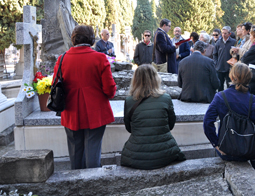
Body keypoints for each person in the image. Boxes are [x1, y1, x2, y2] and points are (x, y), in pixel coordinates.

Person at [53, 25, 116, 169]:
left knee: (75, 151)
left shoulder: (62, 59)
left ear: (73, 39)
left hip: (71, 112)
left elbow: (55, 85)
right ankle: (93, 184)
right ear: (92, 39)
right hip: (96, 112)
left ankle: (77, 183)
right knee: (93, 150)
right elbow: (109, 90)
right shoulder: (100, 58)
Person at [121, 64, 186, 170]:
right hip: (165, 153)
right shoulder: (166, 98)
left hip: (135, 155)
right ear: (156, 78)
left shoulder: (129, 101)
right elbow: (170, 125)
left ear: (135, 80)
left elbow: (129, 129)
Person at [203, 63, 255, 174]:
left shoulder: (220, 97)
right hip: (248, 152)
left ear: (231, 77)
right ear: (249, 79)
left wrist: (216, 144)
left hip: (226, 150)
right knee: (254, 142)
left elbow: (207, 122)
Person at [213, 26, 236, 91]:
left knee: (230, 85)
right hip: (219, 68)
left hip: (229, 68)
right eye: (222, 33)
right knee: (220, 85)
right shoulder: (218, 42)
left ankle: (229, 99)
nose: (223, 35)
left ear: (229, 34)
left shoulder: (233, 42)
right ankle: (221, 99)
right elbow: (215, 54)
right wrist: (216, 64)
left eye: (225, 33)